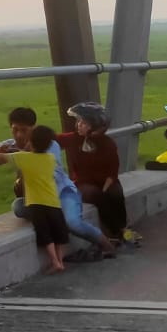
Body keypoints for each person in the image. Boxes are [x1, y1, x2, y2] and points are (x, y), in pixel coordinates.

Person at [0, 105, 113, 259]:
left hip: (62, 193)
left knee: (73, 223)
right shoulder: (10, 145)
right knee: (18, 207)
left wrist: (13, 155)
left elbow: (37, 163)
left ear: (33, 128)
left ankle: (107, 246)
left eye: (24, 130)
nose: (19, 135)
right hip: (40, 200)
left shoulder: (49, 144)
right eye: (15, 130)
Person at [0, 125, 69, 274]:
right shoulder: (50, 159)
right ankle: (61, 261)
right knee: (58, 233)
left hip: (37, 204)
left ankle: (55, 262)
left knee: (45, 235)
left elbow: (0, 158)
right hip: (54, 202)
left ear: (31, 142)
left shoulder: (23, 158)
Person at [58, 101, 139, 246]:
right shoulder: (74, 139)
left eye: (83, 123)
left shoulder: (108, 144)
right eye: (78, 122)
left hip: (106, 181)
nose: (78, 125)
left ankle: (123, 227)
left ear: (94, 126)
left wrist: (106, 187)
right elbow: (54, 139)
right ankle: (115, 232)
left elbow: (112, 171)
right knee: (96, 195)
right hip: (83, 183)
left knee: (115, 192)